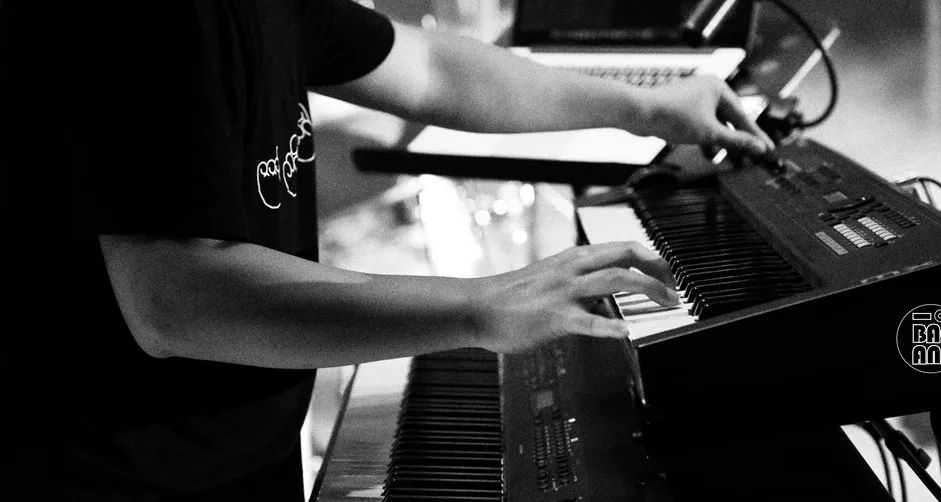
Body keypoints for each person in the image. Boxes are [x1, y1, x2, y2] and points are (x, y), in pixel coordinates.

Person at [2, 0, 772, 499]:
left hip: (234, 435)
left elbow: (430, 67)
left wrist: (645, 106)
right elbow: (175, 299)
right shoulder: (157, 16)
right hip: (119, 466)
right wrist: (478, 306)